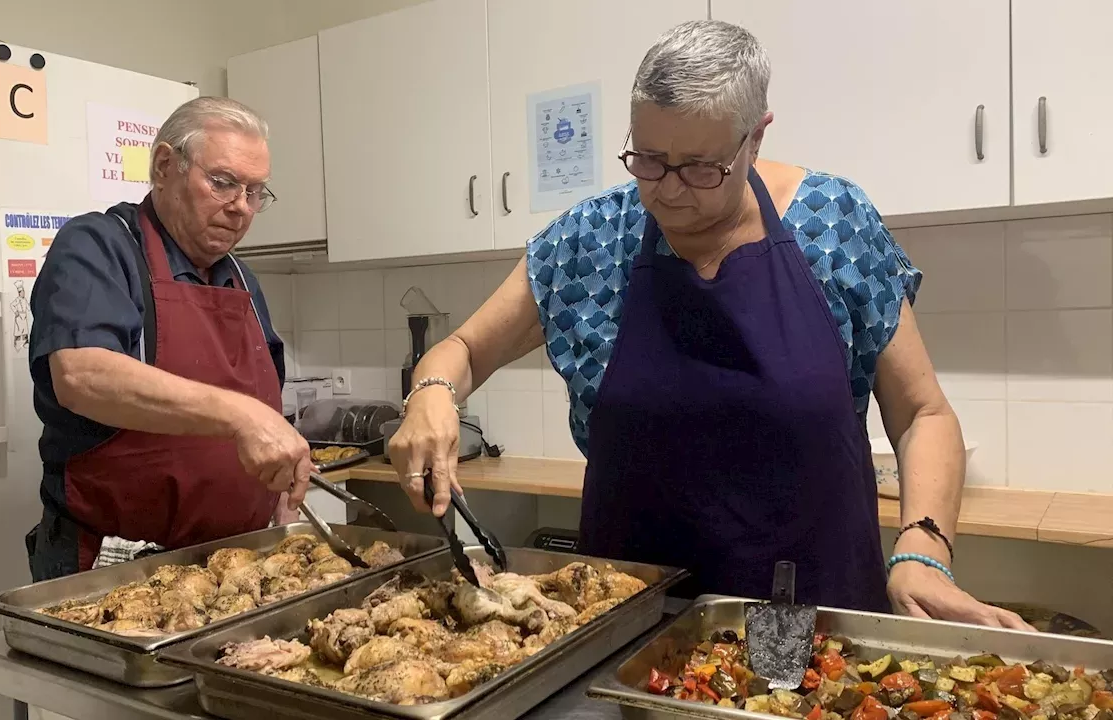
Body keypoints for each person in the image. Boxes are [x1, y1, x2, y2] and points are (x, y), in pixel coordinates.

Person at [388, 21, 1031, 629]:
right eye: (647, 159)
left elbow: (924, 415)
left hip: (815, 623)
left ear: (756, 138)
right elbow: (463, 348)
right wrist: (430, 395)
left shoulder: (833, 225)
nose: (667, 190)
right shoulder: (589, 241)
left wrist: (924, 547)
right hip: (626, 626)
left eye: (700, 168)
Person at [25, 97, 312, 581]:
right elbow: (82, 375)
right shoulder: (98, 247)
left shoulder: (241, 278)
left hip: (237, 561)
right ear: (164, 166)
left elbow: (267, 404)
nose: (241, 207)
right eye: (222, 183)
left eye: (255, 191)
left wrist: (281, 486)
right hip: (119, 566)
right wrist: (241, 416)